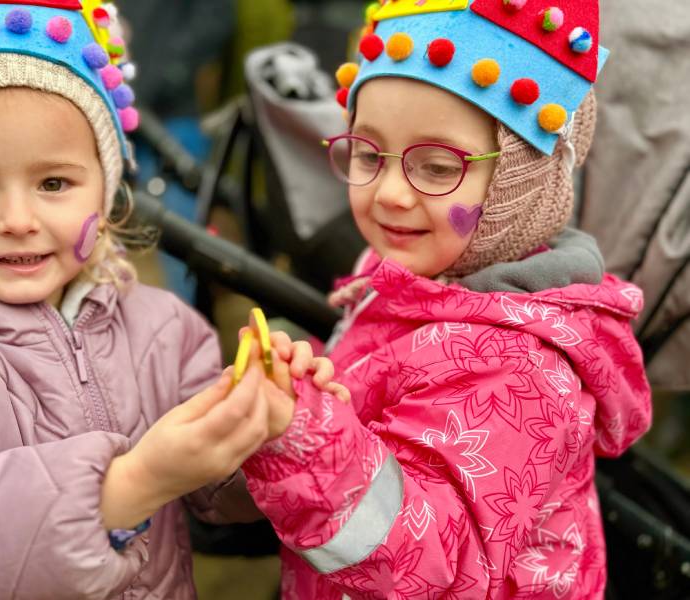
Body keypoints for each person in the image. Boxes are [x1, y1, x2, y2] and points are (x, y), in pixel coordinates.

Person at [0, 2, 342, 597]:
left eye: (54, 183)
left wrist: (270, 431)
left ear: (104, 187)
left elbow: (217, 493)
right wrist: (131, 485)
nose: (18, 220)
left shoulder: (165, 330)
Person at [239, 0, 653, 598]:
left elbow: (429, 566)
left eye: (436, 168)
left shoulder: (521, 373)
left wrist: (304, 437)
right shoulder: (408, 271)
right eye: (368, 154)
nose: (389, 193)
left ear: (520, 182)